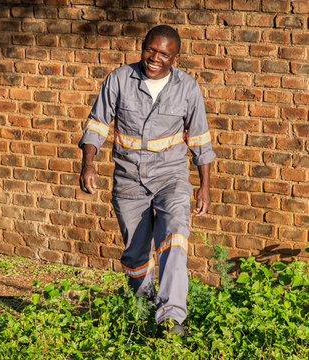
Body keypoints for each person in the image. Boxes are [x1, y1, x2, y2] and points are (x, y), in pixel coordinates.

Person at [78, 25, 215, 337]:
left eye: (163, 54)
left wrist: (205, 186)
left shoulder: (187, 88)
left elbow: (200, 141)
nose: (155, 58)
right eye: (150, 50)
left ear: (175, 58)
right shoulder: (119, 79)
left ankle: (171, 319)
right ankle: (143, 305)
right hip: (129, 179)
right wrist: (88, 163)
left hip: (171, 177)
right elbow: (97, 123)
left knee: (175, 238)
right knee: (136, 253)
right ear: (142, 47)